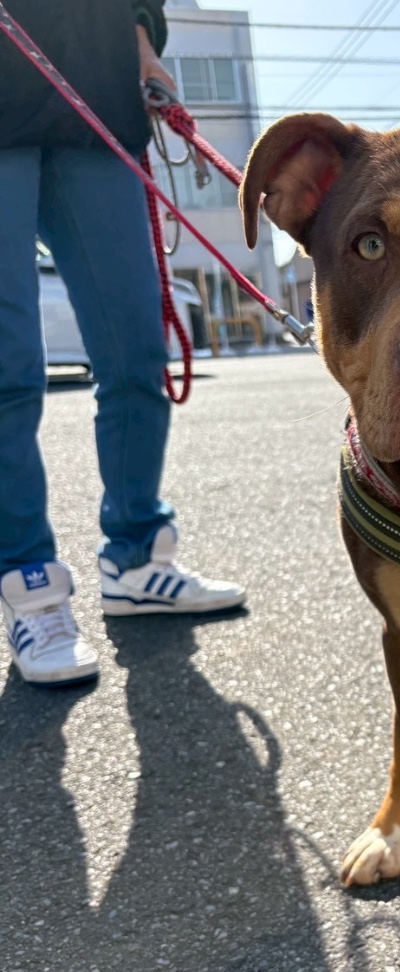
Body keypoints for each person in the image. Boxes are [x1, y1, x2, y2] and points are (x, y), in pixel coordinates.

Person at [0, 0, 245, 688]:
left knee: (138, 354)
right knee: (8, 369)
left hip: (98, 102)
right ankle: (31, 586)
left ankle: (136, 561)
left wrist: (142, 41)